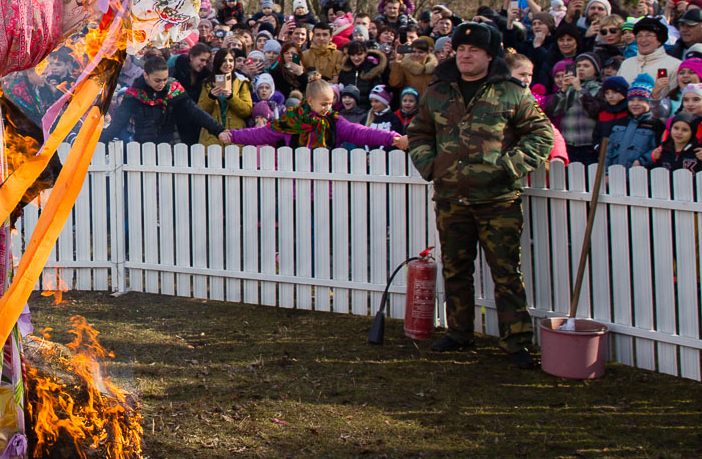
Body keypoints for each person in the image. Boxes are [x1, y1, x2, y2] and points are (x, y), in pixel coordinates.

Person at [404, 20, 554, 366]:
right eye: (460, 50)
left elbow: (541, 135)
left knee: (506, 273)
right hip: (451, 198)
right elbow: (420, 132)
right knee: (456, 269)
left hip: (498, 200)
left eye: (474, 51)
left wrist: (509, 166)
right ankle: (458, 333)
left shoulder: (511, 92)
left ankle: (516, 342)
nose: (465, 56)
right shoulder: (439, 91)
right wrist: (431, 166)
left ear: (490, 56)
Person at [222, 75, 406, 151]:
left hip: (327, 186)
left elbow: (360, 132)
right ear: (310, 101)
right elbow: (261, 134)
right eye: (324, 104)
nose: (328, 108)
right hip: (294, 185)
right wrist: (234, 135)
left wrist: (392, 138)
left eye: (331, 103)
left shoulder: (335, 122)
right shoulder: (291, 119)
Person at [101, 54, 225, 146]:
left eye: (165, 79)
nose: (162, 84)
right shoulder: (134, 94)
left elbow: (194, 111)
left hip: (169, 146)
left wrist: (218, 130)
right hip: (142, 147)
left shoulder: (173, 89)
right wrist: (99, 143)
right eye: (157, 80)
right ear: (146, 75)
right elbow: (118, 122)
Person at [617, 17, 678, 86]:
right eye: (639, 36)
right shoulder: (626, 64)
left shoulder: (674, 65)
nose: (643, 40)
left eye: (648, 35)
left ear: (659, 40)